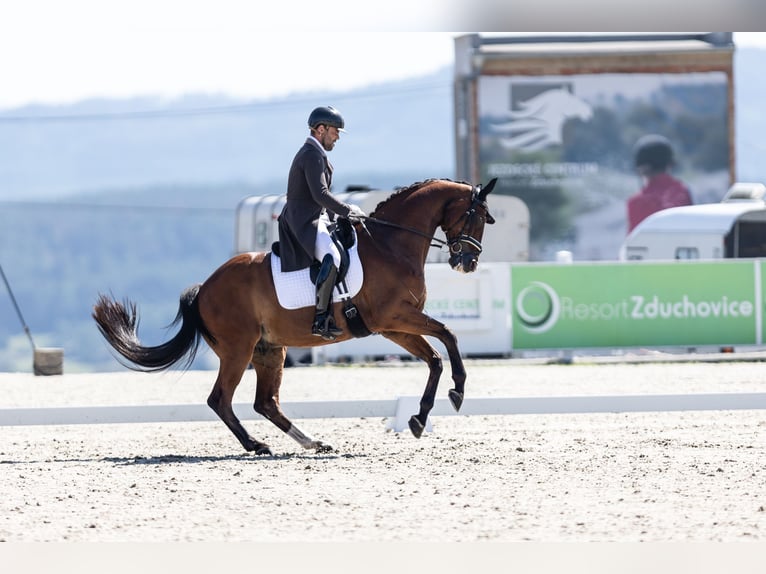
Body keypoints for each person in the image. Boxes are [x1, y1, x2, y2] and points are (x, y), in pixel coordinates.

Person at [276, 106, 366, 341]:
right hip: (304, 222)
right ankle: (321, 318)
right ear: (320, 129)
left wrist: (342, 215)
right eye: (335, 131)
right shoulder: (310, 155)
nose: (337, 136)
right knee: (333, 257)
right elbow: (320, 194)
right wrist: (347, 211)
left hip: (317, 218)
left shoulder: (317, 154)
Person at [626, 134, 692, 233]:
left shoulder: (635, 203)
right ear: (669, 164)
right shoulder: (682, 192)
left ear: (641, 169)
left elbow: (632, 245)